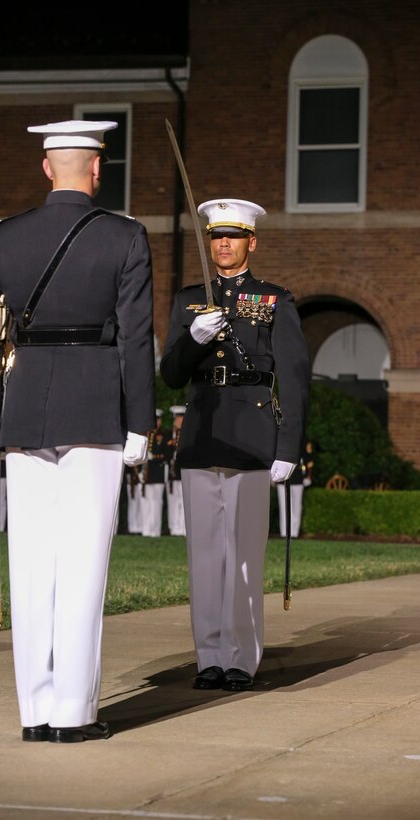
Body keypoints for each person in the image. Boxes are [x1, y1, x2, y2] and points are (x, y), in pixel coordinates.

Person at [0, 120, 156, 743]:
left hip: (23, 412)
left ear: (47, 168)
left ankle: (34, 712)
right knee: (82, 568)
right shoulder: (125, 237)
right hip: (95, 409)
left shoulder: (3, 238)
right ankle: (74, 712)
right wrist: (141, 423)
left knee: (32, 566)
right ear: (96, 168)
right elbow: (135, 338)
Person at [160, 198, 310, 692]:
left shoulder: (273, 301)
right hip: (203, 435)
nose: (223, 244)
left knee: (244, 556)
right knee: (204, 556)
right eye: (216, 236)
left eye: (233, 236)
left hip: (251, 437)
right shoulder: (188, 302)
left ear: (252, 242)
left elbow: (293, 377)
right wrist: (194, 339)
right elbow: (170, 375)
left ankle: (242, 658)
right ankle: (209, 656)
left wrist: (287, 447)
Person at [139, 409, 168, 537]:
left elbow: (167, 455)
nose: (155, 422)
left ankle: (155, 531)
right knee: (146, 503)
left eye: (157, 419)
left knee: (156, 503)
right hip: (146, 475)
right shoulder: (144, 435)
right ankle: (146, 530)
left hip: (158, 474)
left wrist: (154, 457)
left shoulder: (163, 436)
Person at [276, 440, 314, 538]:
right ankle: (284, 532)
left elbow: (309, 459)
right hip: (282, 478)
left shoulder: (303, 440)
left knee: (296, 506)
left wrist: (308, 476)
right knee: (283, 506)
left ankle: (294, 532)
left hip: (297, 478)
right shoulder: (280, 437)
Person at [166, 405, 186, 536]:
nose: (179, 421)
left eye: (181, 418)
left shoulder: (187, 435)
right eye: (177, 419)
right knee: (173, 501)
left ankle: (184, 528)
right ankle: (174, 528)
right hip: (172, 473)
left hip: (183, 471)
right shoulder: (168, 435)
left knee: (184, 501)